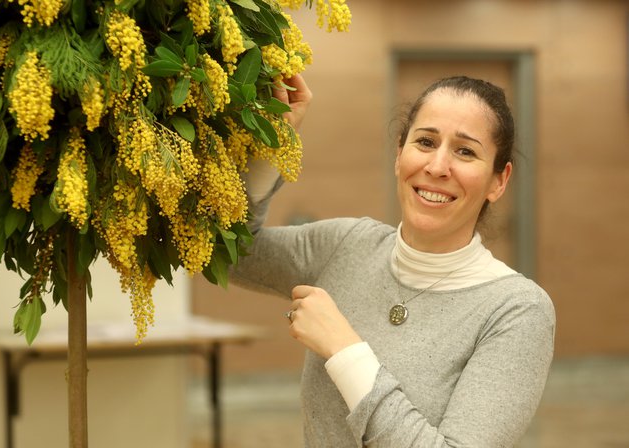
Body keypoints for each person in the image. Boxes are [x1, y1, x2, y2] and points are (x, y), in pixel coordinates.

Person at [232, 74, 556, 447]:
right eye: (425, 142)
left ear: (499, 181)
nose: (437, 166)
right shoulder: (346, 245)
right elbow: (232, 253)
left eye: (465, 151)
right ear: (399, 154)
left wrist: (345, 350)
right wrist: (272, 142)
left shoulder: (517, 310)